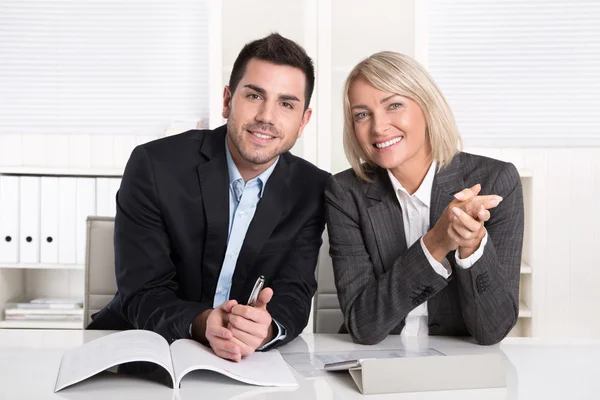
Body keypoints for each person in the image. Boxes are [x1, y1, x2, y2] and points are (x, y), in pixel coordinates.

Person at [88, 33, 330, 362]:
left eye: (286, 103)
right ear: (228, 100)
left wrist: (267, 327)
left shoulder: (313, 188)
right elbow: (142, 291)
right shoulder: (155, 166)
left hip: (247, 362)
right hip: (140, 350)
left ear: (303, 121)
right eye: (254, 95)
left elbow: (295, 291)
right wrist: (203, 324)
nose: (266, 116)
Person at [325, 51, 524, 346]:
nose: (378, 127)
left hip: (458, 366)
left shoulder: (496, 181)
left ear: (427, 107)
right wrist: (437, 242)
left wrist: (471, 246)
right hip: (376, 361)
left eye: (394, 105)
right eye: (362, 114)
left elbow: (492, 331)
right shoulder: (344, 192)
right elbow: (363, 325)